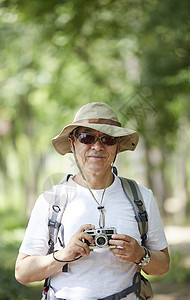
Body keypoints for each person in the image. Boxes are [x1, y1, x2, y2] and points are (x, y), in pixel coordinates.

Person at [15, 102, 170, 300]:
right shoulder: (51, 201)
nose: (97, 146)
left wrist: (139, 254)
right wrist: (63, 255)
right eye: (86, 138)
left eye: (108, 139)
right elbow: (22, 273)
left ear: (117, 146)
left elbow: (163, 265)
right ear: (72, 143)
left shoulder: (141, 197)